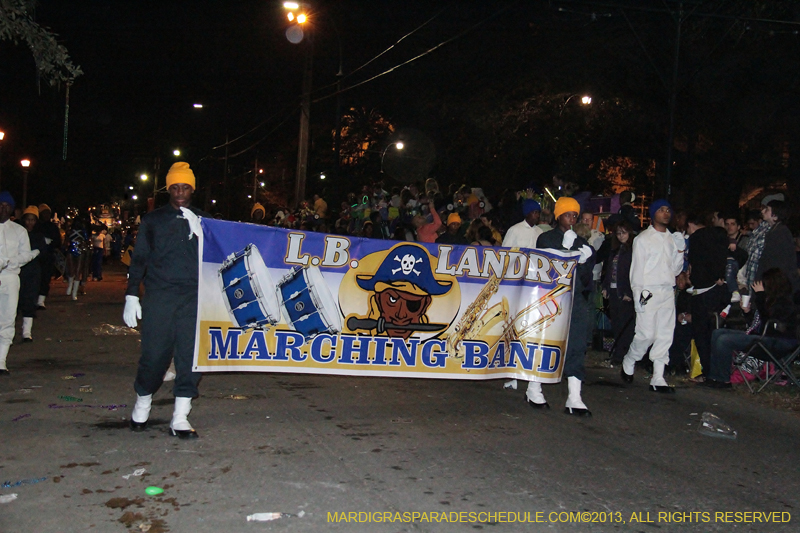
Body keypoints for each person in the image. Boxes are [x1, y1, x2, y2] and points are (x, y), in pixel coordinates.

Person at [123, 162, 209, 439]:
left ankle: (180, 416)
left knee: (190, 357)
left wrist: (206, 234)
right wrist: (132, 294)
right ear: (168, 189)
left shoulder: (205, 220)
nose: (180, 192)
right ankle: (143, 401)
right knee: (155, 355)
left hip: (194, 298)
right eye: (175, 187)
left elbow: (223, 256)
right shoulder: (153, 221)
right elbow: (139, 259)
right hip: (160, 296)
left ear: (192, 190)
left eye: (186, 187)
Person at [534, 196, 595, 415]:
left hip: (575, 299)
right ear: (558, 216)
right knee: (546, 342)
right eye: (567, 215)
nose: (571, 219)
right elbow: (547, 268)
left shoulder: (581, 243)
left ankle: (574, 396)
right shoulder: (545, 239)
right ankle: (534, 387)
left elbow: (586, 279)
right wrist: (565, 250)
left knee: (576, 345)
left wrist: (585, 261)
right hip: (552, 299)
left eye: (574, 215)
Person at [619, 200, 685, 392]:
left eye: (668, 210)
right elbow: (637, 270)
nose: (666, 213)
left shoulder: (671, 238)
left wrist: (680, 251)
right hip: (648, 291)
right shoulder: (643, 239)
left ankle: (658, 377)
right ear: (653, 214)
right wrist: (638, 295)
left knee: (665, 333)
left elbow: (676, 269)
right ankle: (630, 359)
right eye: (661, 210)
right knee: (646, 334)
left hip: (667, 290)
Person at [705, 268, 797, 388]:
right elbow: (756, 324)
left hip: (775, 341)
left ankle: (724, 380)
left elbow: (769, 324)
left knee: (724, 340)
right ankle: (714, 376)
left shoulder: (784, 303)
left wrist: (760, 296)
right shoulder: (769, 300)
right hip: (761, 336)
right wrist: (748, 312)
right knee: (717, 333)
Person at [685, 212, 728, 382]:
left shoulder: (697, 239)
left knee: (701, 334)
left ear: (691, 225)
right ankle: (714, 371)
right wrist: (719, 275)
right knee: (711, 333)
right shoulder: (719, 236)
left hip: (702, 291)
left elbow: (695, 262)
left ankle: (708, 372)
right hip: (716, 290)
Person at [0, 193, 39, 374]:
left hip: (10, 277)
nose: (3, 209)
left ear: (12, 209)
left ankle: (1, 360)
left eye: (7, 206)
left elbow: (26, 254)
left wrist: (10, 261)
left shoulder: (19, 231)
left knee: (8, 318)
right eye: (1, 205)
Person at [601, 220, 635, 366]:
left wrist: (630, 292)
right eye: (619, 233)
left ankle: (622, 354)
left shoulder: (632, 251)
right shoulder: (615, 250)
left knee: (625, 325)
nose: (621, 236)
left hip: (625, 292)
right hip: (614, 290)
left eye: (624, 233)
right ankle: (618, 352)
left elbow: (633, 273)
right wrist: (605, 287)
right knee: (616, 323)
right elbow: (609, 269)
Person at [755, 200, 800, 298]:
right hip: (776, 283)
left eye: (767, 209)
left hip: (777, 286)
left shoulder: (780, 233)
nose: (763, 211)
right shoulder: (776, 231)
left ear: (775, 216)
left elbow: (776, 262)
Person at [18, 206, 47, 342]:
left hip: (33, 271)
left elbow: (43, 254)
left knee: (30, 300)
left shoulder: (38, 235)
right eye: (28, 219)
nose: (30, 222)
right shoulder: (19, 233)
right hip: (19, 270)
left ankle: (26, 332)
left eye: (33, 220)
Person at [35, 203, 62, 309]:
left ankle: (41, 300)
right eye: (44, 213)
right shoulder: (36, 226)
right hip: (36, 257)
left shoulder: (52, 227)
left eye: (48, 213)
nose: (46, 215)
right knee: (36, 278)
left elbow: (58, 242)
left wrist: (52, 244)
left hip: (48, 257)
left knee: (45, 278)